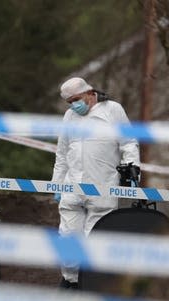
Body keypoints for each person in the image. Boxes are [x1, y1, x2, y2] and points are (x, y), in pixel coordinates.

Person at [52, 77, 140, 289]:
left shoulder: (112, 110)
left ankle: (92, 288)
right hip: (72, 188)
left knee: (96, 244)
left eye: (77, 99)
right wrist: (56, 184)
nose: (74, 105)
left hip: (103, 189)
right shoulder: (69, 117)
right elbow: (62, 153)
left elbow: (128, 143)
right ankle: (72, 283)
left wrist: (133, 171)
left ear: (90, 93)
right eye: (70, 102)